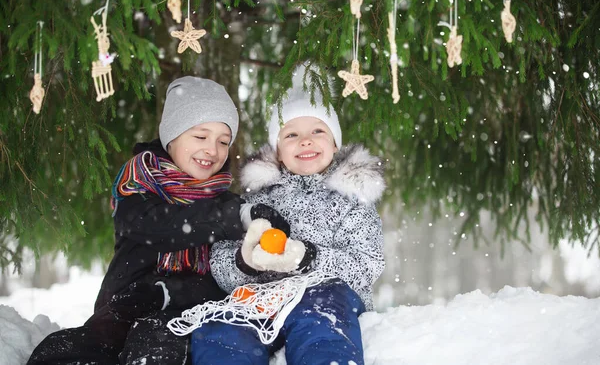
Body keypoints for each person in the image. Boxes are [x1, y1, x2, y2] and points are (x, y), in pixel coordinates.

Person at [28, 76, 251, 365]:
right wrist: (226, 218)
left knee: (156, 345)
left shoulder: (227, 204)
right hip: (123, 308)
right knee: (59, 350)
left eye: (224, 141)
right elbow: (153, 226)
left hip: (184, 315)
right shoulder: (136, 187)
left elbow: (228, 274)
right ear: (171, 137)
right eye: (200, 136)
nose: (213, 149)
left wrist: (170, 293)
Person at [191, 66, 386, 365]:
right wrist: (246, 260)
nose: (305, 141)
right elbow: (219, 261)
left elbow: (367, 263)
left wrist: (307, 257)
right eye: (292, 134)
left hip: (325, 296)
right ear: (278, 150)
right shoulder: (256, 198)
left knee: (321, 323)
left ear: (334, 142)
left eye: (318, 131)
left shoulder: (352, 197)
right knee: (222, 328)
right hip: (260, 298)